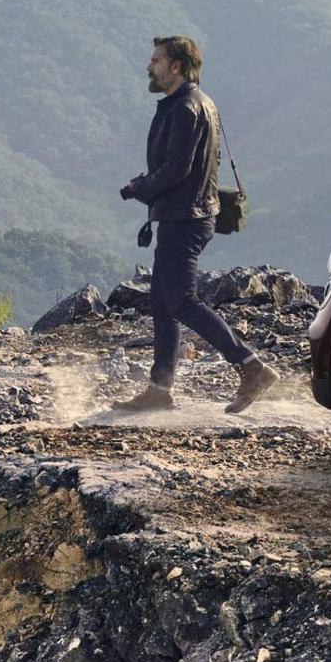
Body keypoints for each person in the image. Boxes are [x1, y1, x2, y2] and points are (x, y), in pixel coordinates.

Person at [112, 36, 278, 414]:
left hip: (186, 219)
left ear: (176, 66)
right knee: (162, 302)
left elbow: (176, 171)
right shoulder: (199, 102)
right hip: (188, 214)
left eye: (156, 61)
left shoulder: (186, 108)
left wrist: (139, 188)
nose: (149, 67)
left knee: (182, 301)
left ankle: (251, 367)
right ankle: (160, 389)